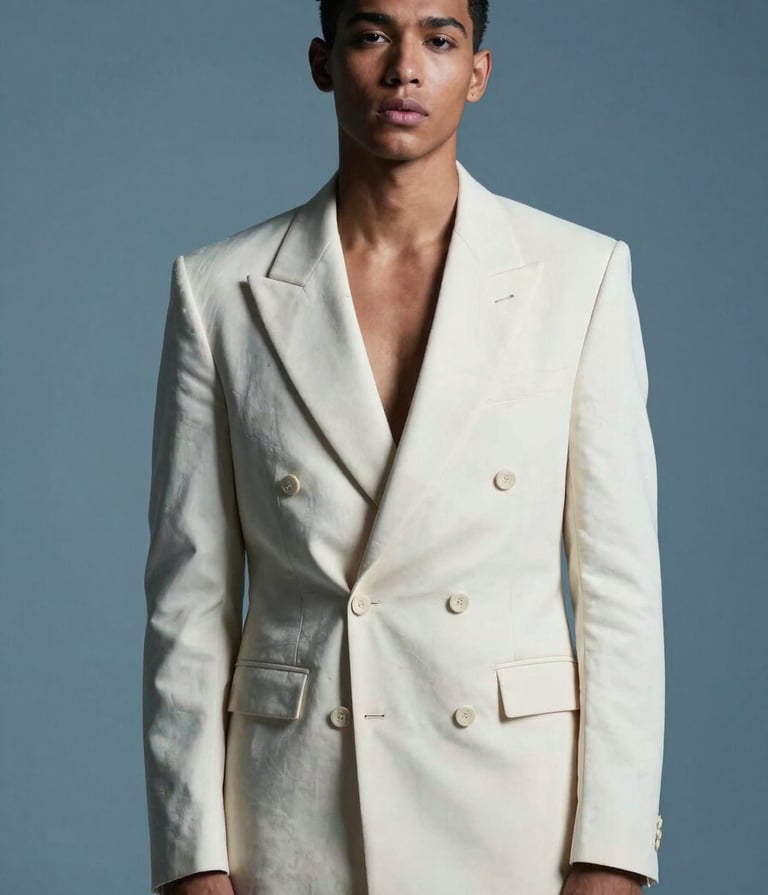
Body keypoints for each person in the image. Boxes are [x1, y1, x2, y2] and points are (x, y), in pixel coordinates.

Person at [142, 1, 666, 893]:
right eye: (371, 34)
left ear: (479, 71)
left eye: (440, 37)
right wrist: (193, 860)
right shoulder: (220, 290)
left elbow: (619, 590)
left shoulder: (579, 276)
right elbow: (188, 597)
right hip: (296, 811)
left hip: (515, 811)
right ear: (323, 61)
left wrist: (611, 850)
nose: (405, 69)